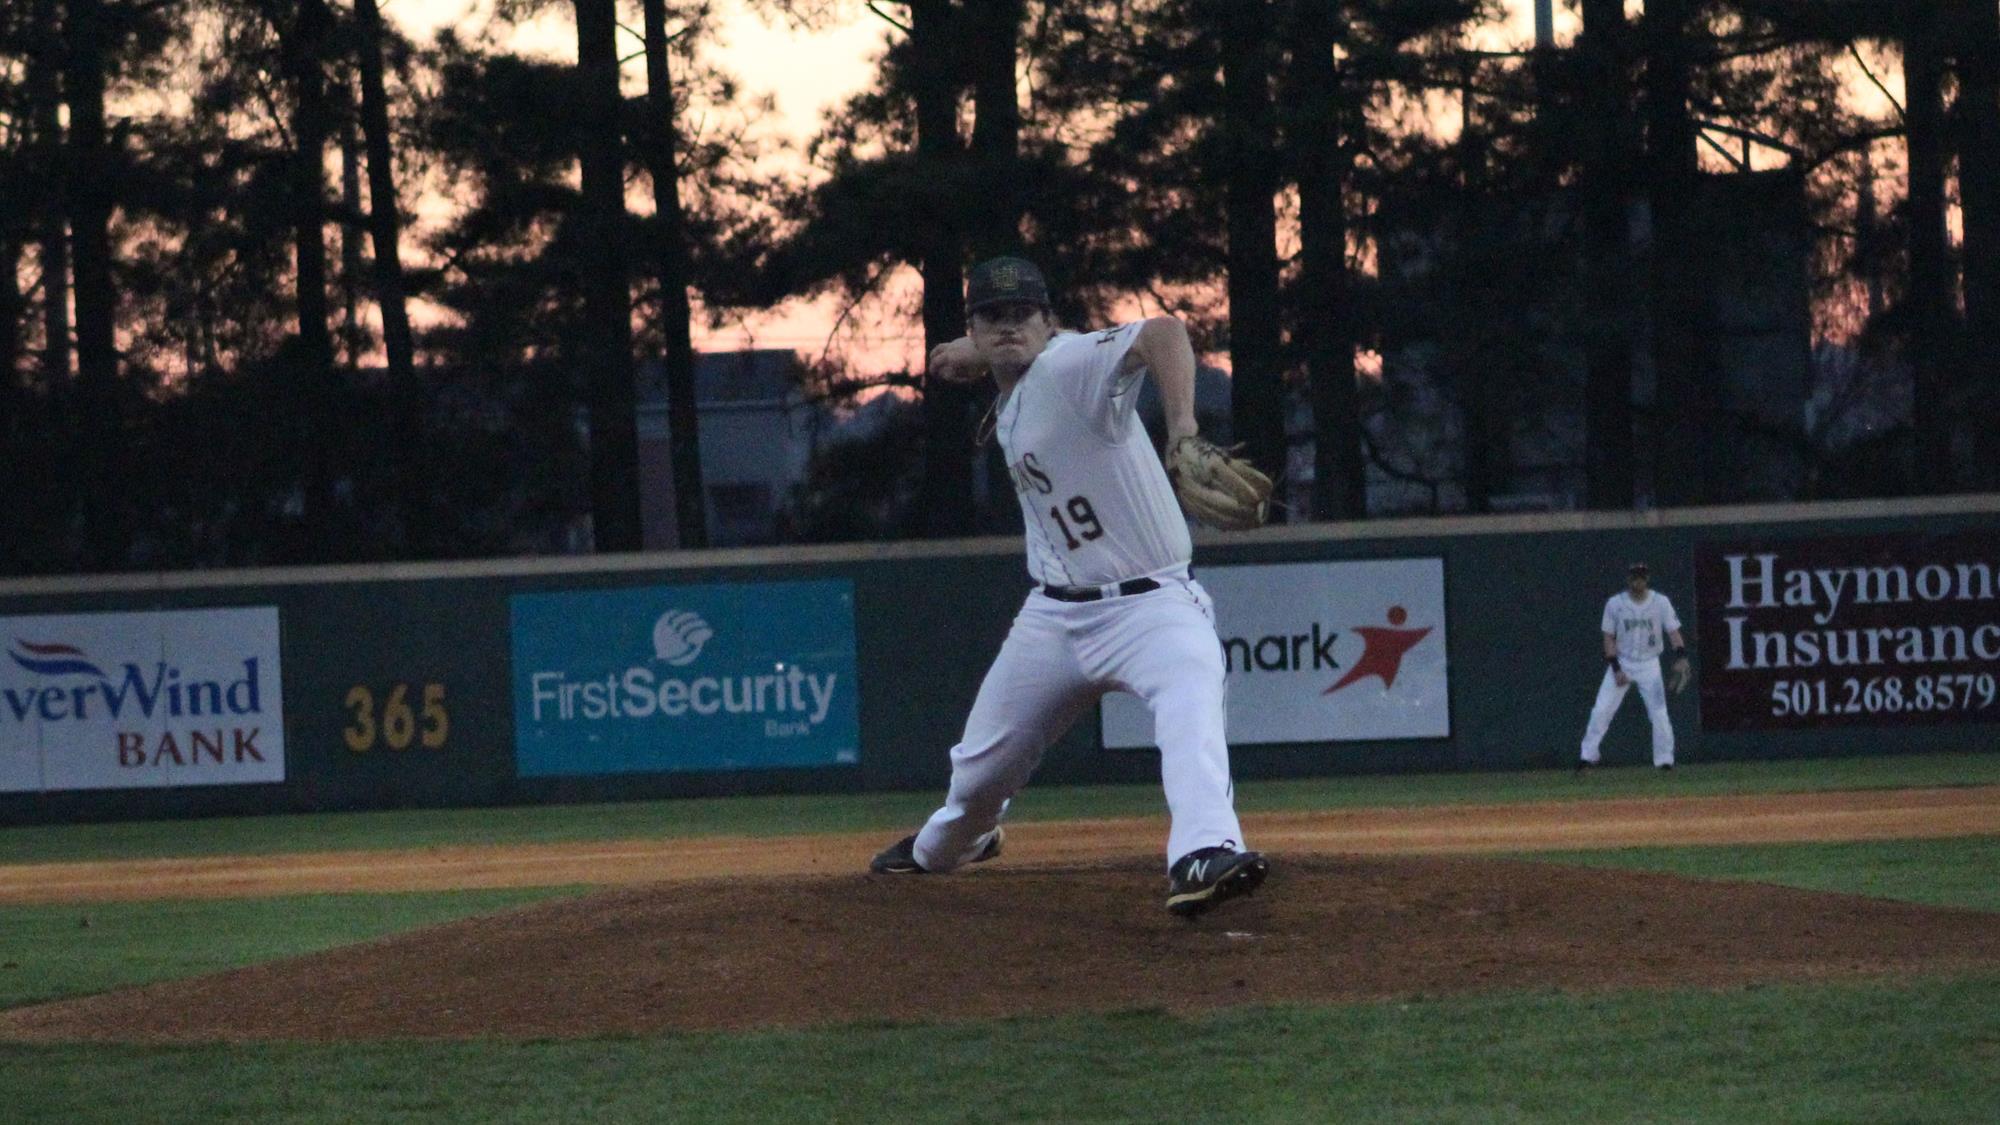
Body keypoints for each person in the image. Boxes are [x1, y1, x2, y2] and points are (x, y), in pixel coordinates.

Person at [868, 256, 1270, 917]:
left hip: (1154, 607)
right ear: (974, 322)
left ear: (1048, 320)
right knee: (975, 778)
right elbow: (998, 349)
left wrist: (1186, 427)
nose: (1008, 325)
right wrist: (965, 351)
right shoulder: (1016, 386)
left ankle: (1204, 850)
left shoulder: (1069, 365)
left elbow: (1164, 333)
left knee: (1189, 703)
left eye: (1021, 312)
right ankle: (949, 845)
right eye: (991, 315)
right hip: (1053, 620)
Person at [1578, 562, 1691, 771]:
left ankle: (1665, 761)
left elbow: (1673, 631)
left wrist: (1681, 655)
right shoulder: (1615, 604)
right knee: (1602, 710)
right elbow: (1608, 637)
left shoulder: (1660, 602)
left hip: (1650, 664)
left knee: (1659, 714)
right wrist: (1616, 668)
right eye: (1635, 577)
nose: (1638, 581)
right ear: (1629, 580)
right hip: (1623, 661)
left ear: (1647, 579)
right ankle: (1587, 757)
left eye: (1642, 577)